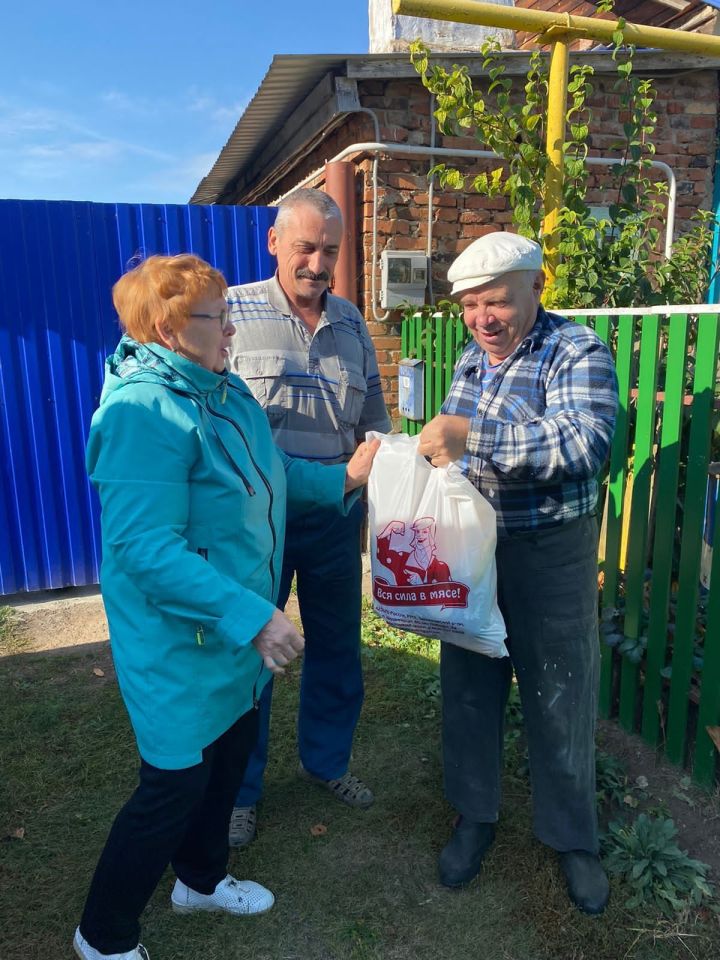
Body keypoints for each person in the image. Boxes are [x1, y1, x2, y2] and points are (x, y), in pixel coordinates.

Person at [74, 253, 378, 960]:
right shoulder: (141, 412)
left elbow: (271, 476)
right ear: (172, 327)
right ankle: (103, 934)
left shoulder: (223, 391)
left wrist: (343, 477)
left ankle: (201, 881)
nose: (231, 333)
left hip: (233, 640)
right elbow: (145, 548)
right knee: (172, 788)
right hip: (181, 644)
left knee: (227, 757)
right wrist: (255, 616)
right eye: (218, 319)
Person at [417, 232, 618, 915]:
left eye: (496, 301)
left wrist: (472, 437)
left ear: (537, 285)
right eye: (471, 305)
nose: (482, 319)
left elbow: (583, 442)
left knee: (561, 691)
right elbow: (452, 452)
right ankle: (475, 815)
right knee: (469, 684)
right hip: (477, 547)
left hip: (550, 549)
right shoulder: (474, 360)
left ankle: (573, 838)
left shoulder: (576, 349)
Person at [225, 188, 391, 847]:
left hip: (332, 521)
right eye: (305, 248)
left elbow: (373, 416)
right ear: (274, 243)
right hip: (253, 524)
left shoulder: (351, 324)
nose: (317, 264)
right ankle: (240, 789)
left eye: (329, 251)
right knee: (253, 651)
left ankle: (326, 763)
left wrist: (389, 455)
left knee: (336, 647)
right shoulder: (231, 312)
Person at [376, 517, 452, 585]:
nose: (419, 535)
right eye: (417, 532)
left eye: (425, 532)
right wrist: (391, 527)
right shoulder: (403, 560)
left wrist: (420, 584)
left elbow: (449, 595)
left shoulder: (441, 567)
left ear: (431, 535)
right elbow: (382, 555)